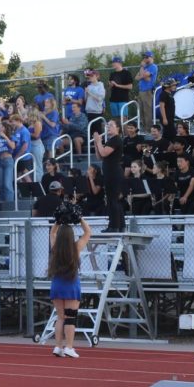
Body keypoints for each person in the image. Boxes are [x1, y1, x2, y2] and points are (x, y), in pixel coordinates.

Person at [48, 214, 92, 358]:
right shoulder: (76, 247)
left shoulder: (55, 247)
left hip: (57, 284)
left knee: (60, 317)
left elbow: (52, 232)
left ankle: (58, 346)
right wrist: (79, 218)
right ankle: (69, 347)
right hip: (71, 284)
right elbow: (88, 232)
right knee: (70, 317)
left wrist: (58, 220)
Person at [92, 120, 125, 231]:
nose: (108, 127)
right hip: (109, 172)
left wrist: (99, 141)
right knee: (111, 200)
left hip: (114, 172)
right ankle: (118, 225)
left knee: (113, 200)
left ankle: (115, 226)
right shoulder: (110, 140)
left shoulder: (116, 139)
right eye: (107, 125)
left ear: (118, 128)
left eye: (111, 125)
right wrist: (97, 143)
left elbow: (104, 153)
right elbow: (99, 156)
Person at [136, 51, 158, 130]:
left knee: (147, 111)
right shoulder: (145, 67)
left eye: (146, 57)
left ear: (151, 58)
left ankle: (149, 130)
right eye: (144, 57)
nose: (145, 59)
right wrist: (143, 74)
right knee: (141, 111)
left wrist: (142, 68)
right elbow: (137, 77)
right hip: (141, 91)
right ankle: (144, 128)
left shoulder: (153, 66)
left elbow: (145, 76)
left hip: (147, 91)